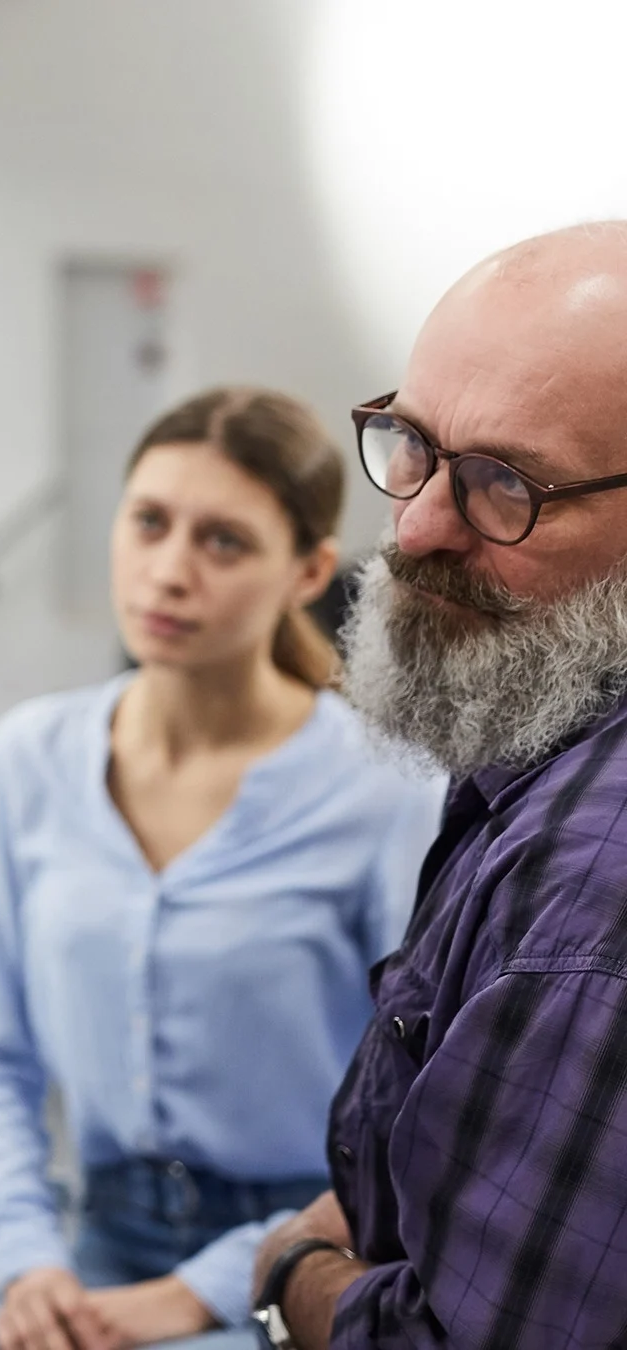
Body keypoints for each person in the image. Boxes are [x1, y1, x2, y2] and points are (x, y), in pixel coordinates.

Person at [0, 390, 445, 1350]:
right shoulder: (36, 755)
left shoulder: (384, 789)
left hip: (309, 1259)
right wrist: (27, 1263)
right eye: (150, 523)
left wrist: (207, 1288)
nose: (169, 573)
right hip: (94, 1252)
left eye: (224, 543)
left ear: (308, 571)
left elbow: (414, 1118)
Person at [247, 223, 627, 1348]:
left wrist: (293, 1271)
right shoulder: (539, 742)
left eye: (505, 484)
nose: (413, 528)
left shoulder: (594, 895)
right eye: (410, 441)